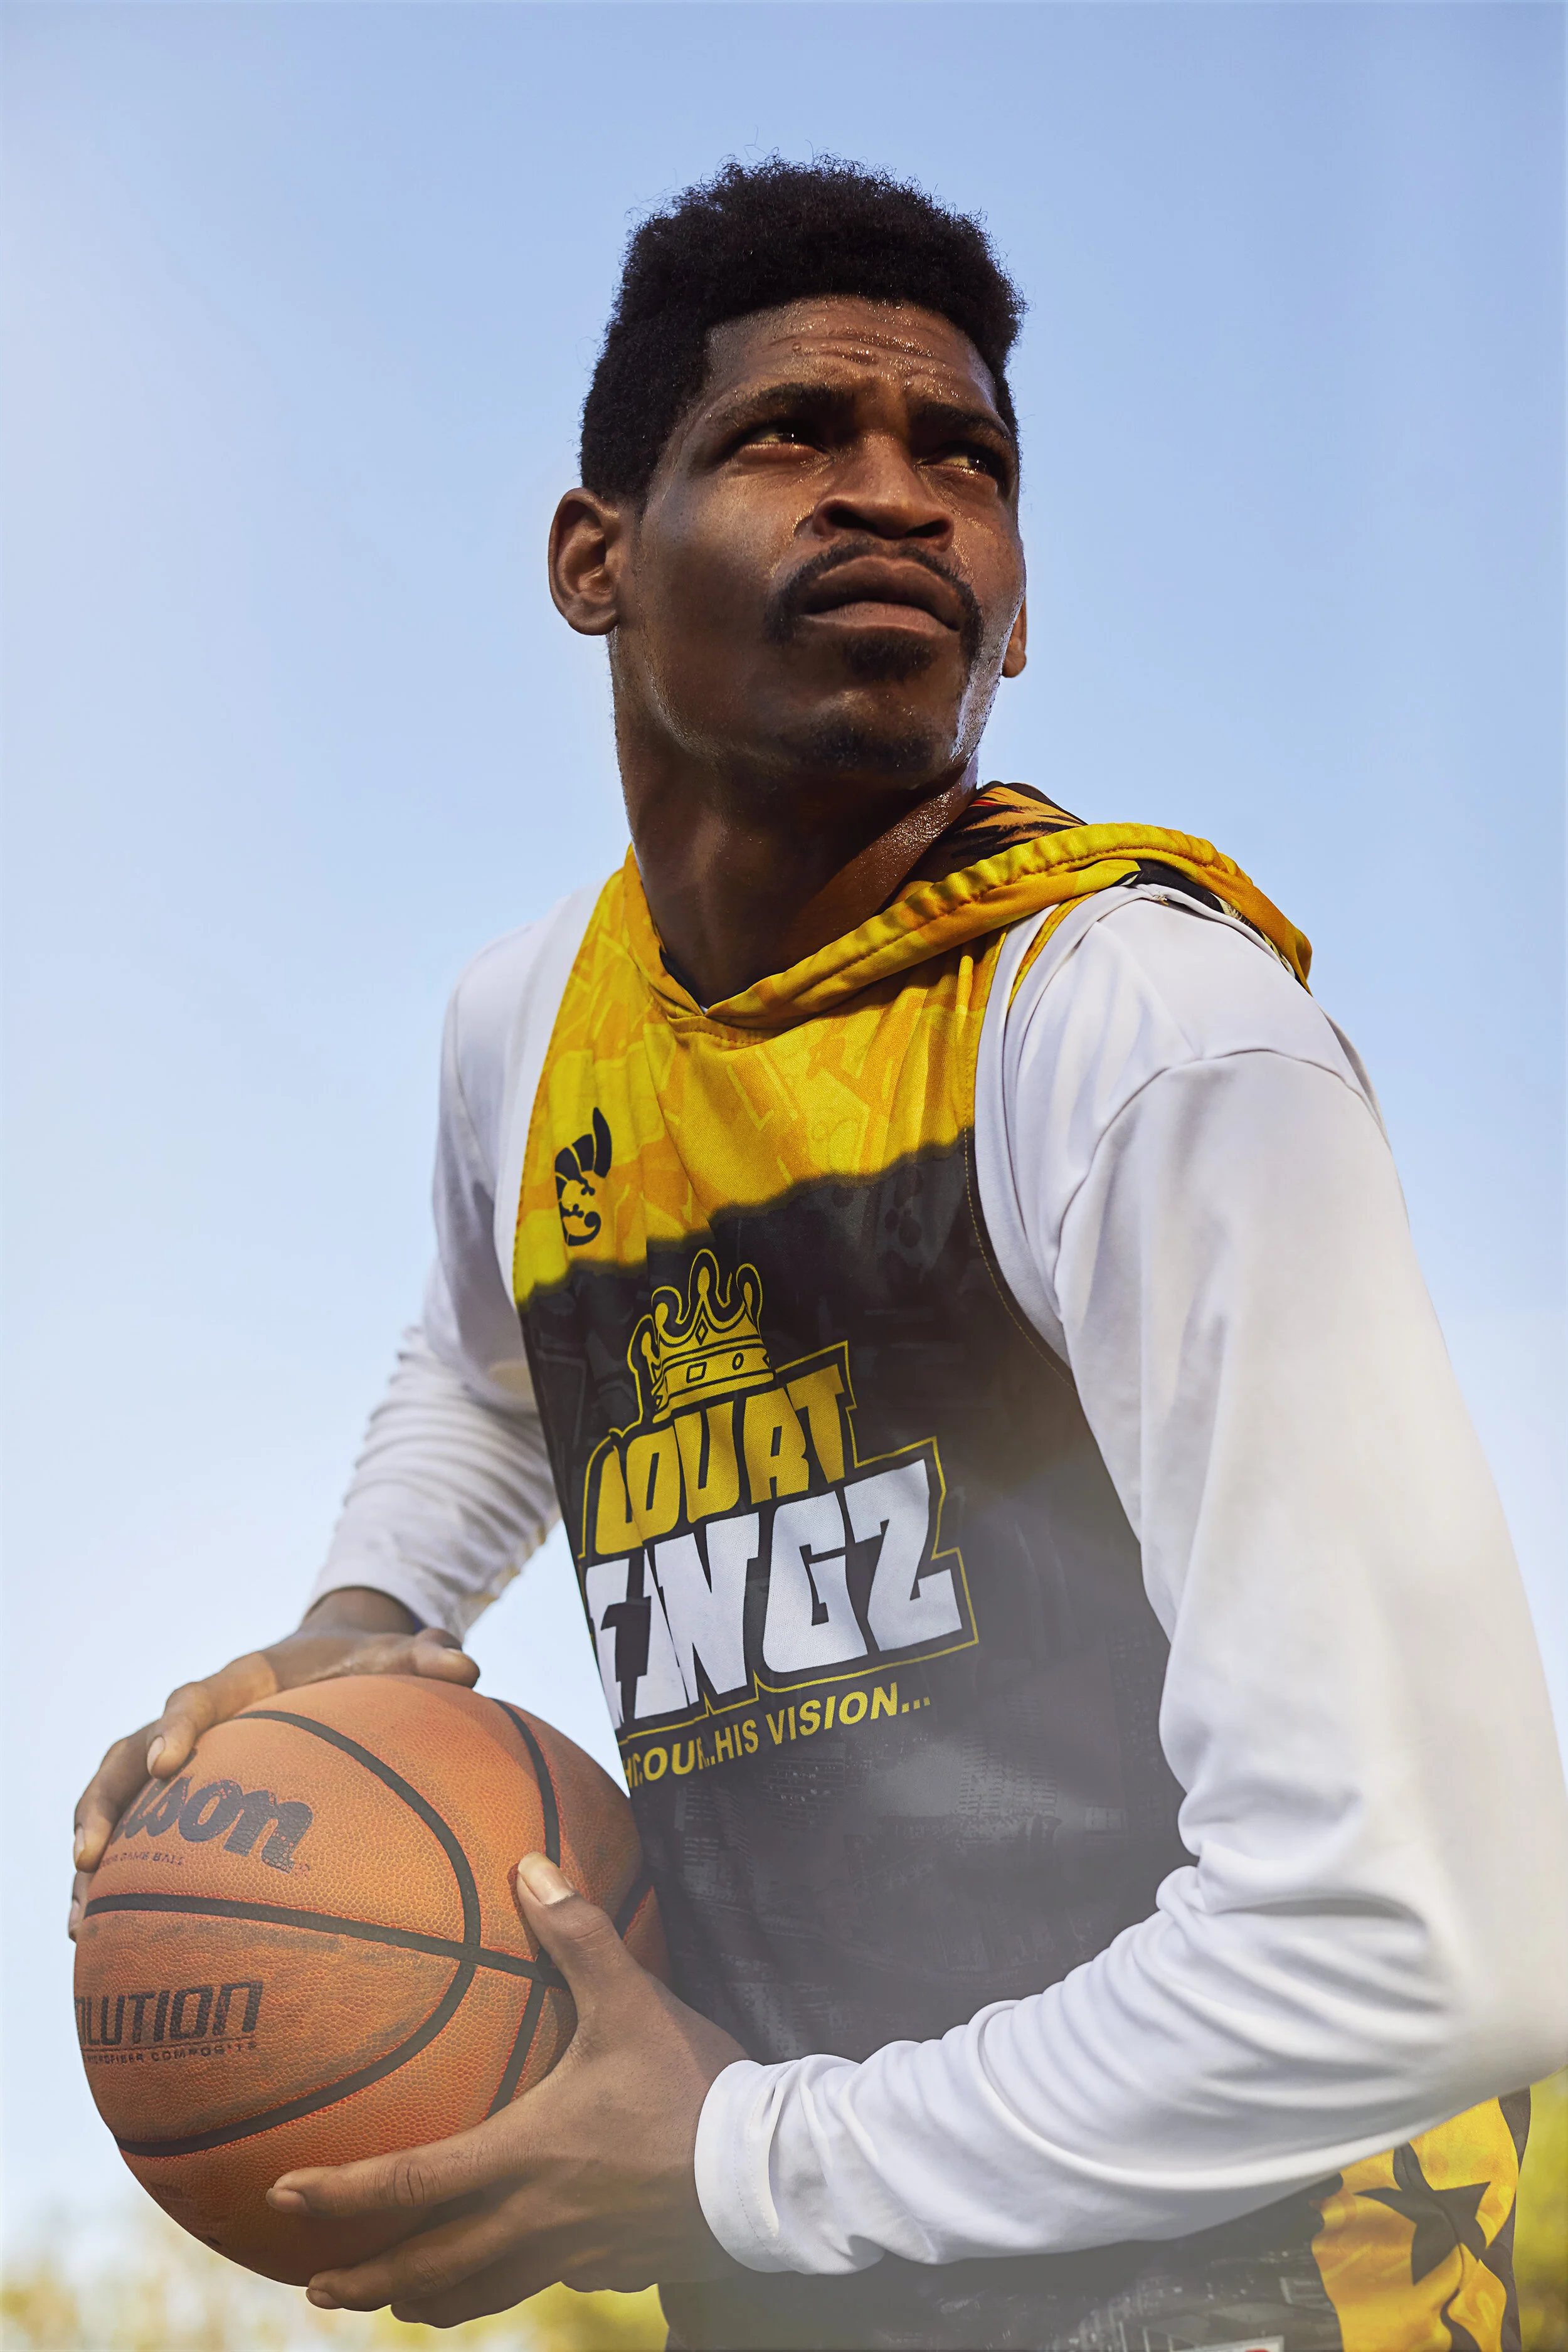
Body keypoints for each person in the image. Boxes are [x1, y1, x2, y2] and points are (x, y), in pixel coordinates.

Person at [69, 159, 1567, 2352]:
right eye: (793, 436)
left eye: (963, 459)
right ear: (592, 556)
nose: (899, 497)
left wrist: (731, 2153)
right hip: (810, 2272)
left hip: (1250, 2273)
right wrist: (363, 1619)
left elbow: (1439, 1936)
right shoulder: (533, 1025)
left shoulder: (1145, 1042)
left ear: (1019, 605)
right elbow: (486, 1363)